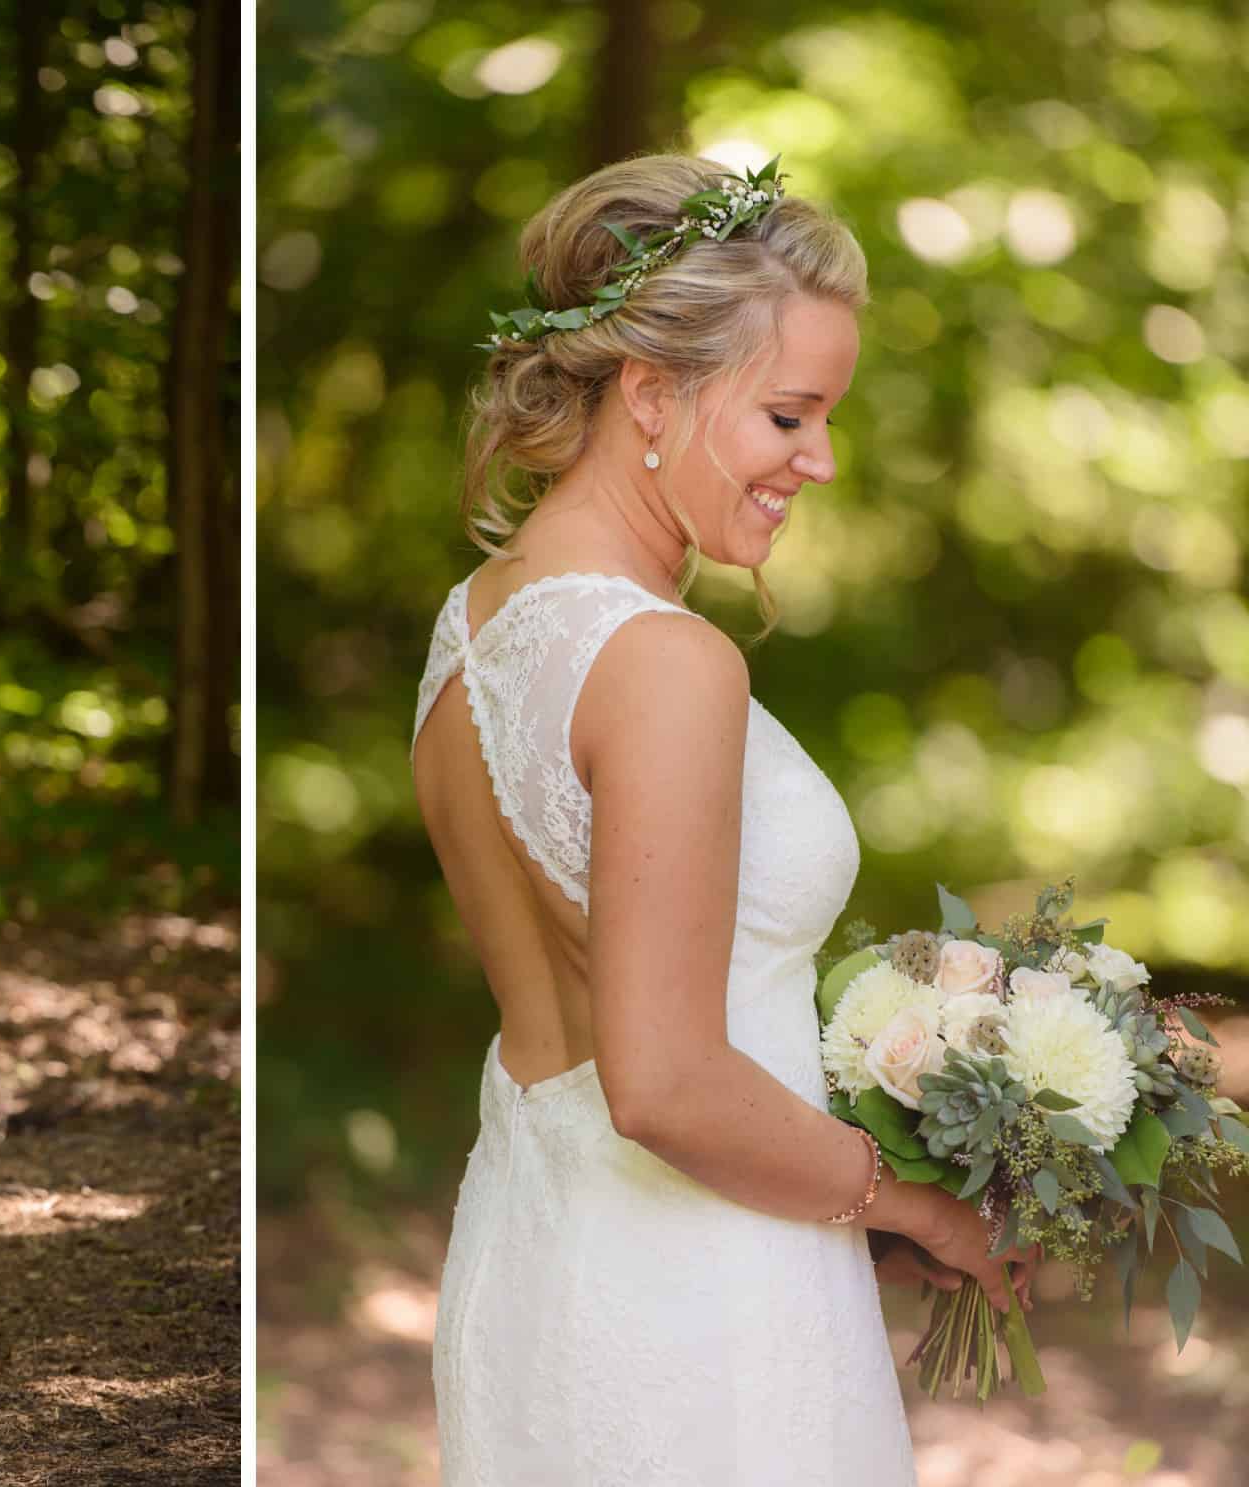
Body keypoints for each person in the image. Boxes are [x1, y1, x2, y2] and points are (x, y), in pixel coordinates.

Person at [410, 155, 1035, 1484]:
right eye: (789, 415)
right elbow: (667, 1080)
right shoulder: (667, 661)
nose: (818, 459)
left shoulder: (473, 627)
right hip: (707, 1296)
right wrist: (920, 1204)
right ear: (654, 393)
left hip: (535, 1257)